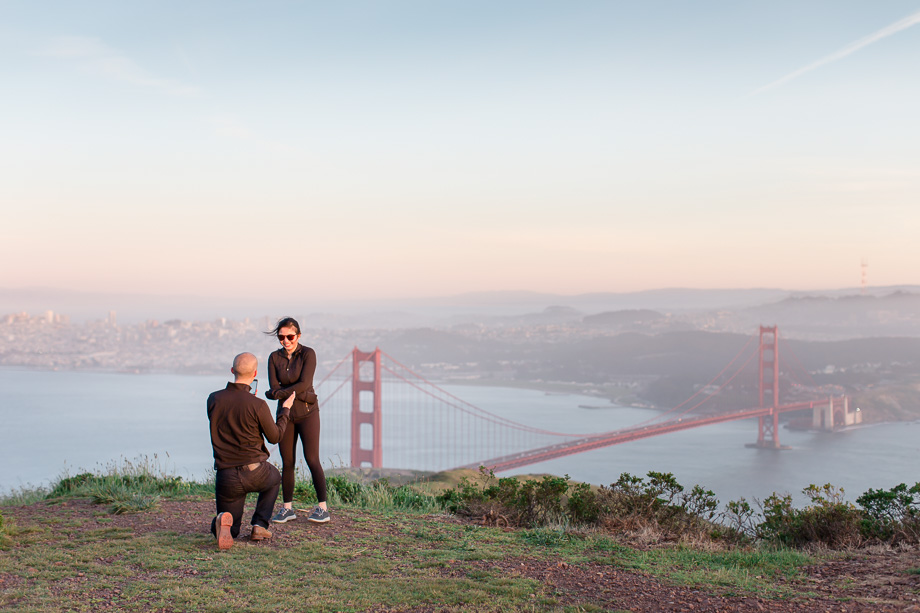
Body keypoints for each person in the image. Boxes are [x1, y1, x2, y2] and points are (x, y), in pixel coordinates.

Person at [207, 352, 294, 550]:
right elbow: (275, 437)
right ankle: (259, 525)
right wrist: (285, 411)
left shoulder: (213, 399)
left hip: (226, 476)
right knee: (274, 478)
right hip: (256, 472)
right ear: (255, 373)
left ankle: (223, 523)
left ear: (231, 371)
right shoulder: (258, 405)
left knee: (232, 530)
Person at [264, 316, 330, 524]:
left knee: (312, 460)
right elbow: (274, 388)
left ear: (298, 336)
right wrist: (284, 393)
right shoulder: (273, 358)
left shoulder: (308, 354)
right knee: (288, 462)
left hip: (309, 414)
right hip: (286, 415)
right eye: (281, 337)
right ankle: (287, 509)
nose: (286, 341)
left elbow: (304, 383)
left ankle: (322, 507)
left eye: (290, 336)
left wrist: (280, 393)